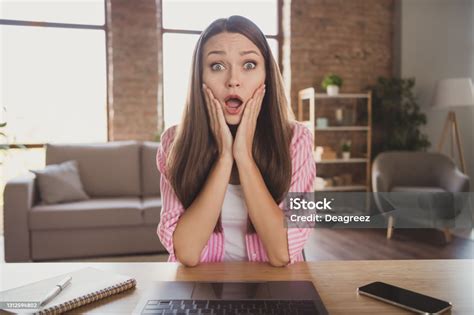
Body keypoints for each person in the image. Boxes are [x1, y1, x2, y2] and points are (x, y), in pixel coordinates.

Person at [156, 15, 316, 267]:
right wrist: (224, 158)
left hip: (273, 288)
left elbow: (282, 252)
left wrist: (244, 156)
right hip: (201, 290)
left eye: (249, 64)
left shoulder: (296, 140)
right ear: (200, 78)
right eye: (217, 66)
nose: (233, 80)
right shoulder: (173, 142)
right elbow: (186, 252)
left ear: (267, 77)